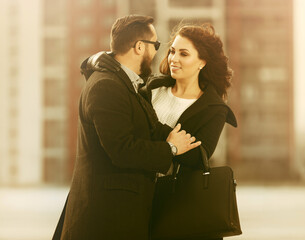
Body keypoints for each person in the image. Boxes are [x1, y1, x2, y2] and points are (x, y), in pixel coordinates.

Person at [85, 23, 237, 240]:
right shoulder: (150, 88)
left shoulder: (213, 108)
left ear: (202, 62)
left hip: (181, 206)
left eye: (184, 54)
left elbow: (198, 155)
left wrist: (159, 134)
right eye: (172, 51)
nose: (174, 58)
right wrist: (171, 141)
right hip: (136, 198)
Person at [54, 15, 201, 240]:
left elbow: (150, 128)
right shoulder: (106, 86)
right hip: (104, 221)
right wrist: (170, 149)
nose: (157, 54)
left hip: (117, 217)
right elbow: (121, 150)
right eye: (157, 45)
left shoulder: (126, 84)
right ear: (140, 47)